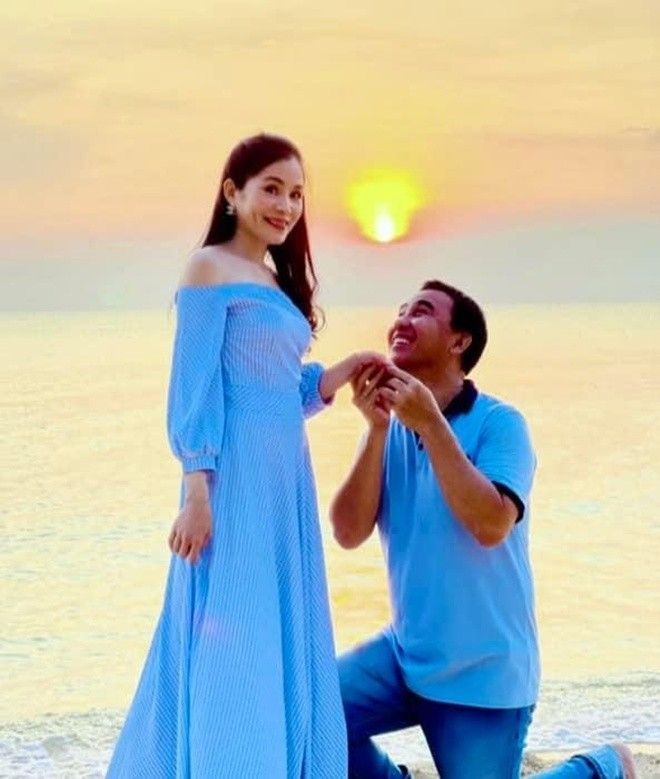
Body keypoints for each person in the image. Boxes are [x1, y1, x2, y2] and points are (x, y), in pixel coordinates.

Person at [107, 133, 383, 778]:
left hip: (283, 488)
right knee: (232, 637)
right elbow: (195, 388)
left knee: (273, 632)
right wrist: (196, 491)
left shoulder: (274, 281)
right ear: (232, 193)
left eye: (296, 194)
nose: (286, 206)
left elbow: (277, 392)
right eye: (271, 189)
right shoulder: (208, 268)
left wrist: (339, 372)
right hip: (230, 485)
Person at [330, 280, 636, 779]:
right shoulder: (392, 428)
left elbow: (491, 524)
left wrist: (432, 425)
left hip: (483, 678)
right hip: (404, 656)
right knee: (308, 713)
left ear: (460, 341)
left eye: (421, 311)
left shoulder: (501, 424)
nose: (402, 320)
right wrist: (377, 429)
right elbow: (347, 532)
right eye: (401, 310)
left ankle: (602, 767)